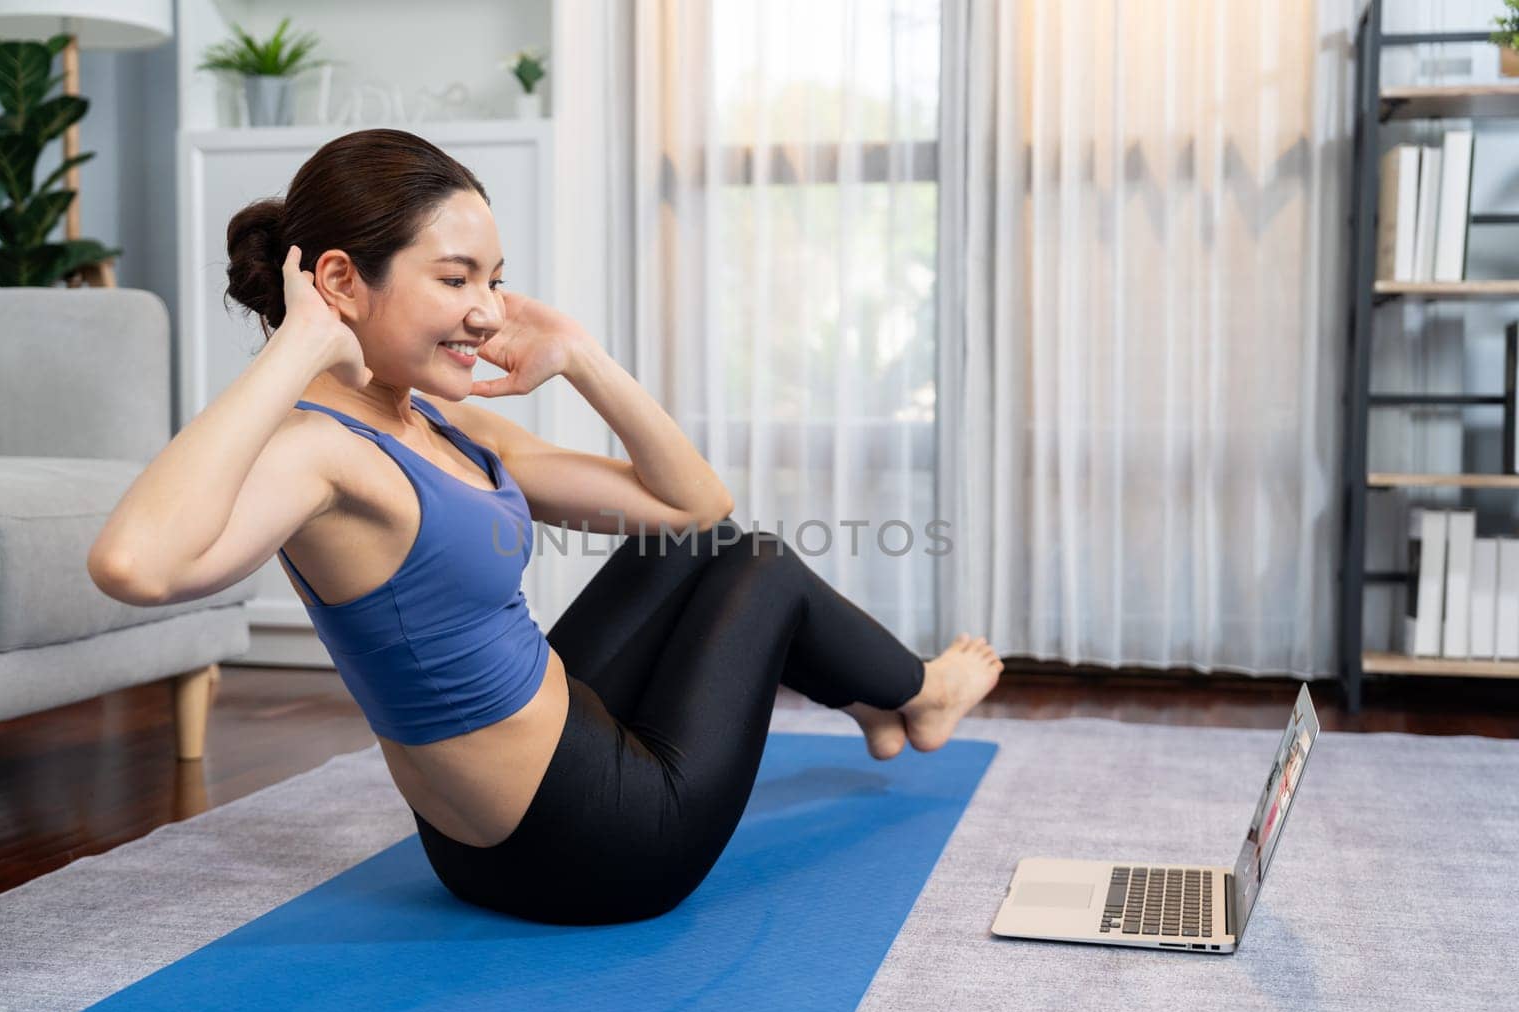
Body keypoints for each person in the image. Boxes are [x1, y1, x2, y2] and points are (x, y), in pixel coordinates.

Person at [88, 129, 1004, 926]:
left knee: (706, 548)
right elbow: (132, 563)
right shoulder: (320, 452)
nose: (486, 309)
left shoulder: (430, 419)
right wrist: (294, 349)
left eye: (493, 278)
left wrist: (579, 356)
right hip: (601, 850)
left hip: (488, 831)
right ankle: (915, 694)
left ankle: (879, 701)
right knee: (759, 567)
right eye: (455, 278)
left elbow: (693, 508)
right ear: (339, 281)